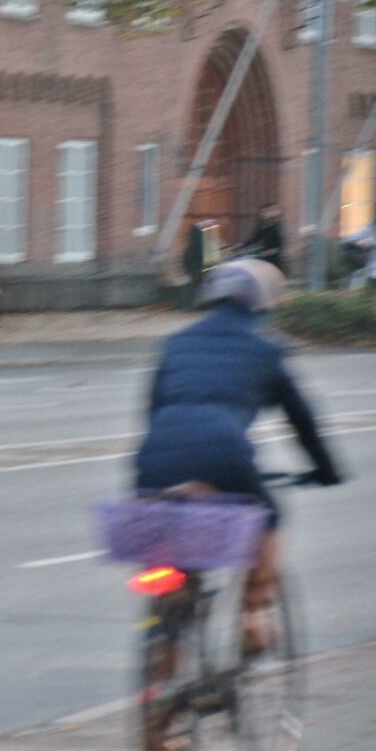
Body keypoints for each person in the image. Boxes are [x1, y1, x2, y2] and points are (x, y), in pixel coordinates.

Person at [136, 259, 343, 649]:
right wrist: (325, 469)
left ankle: (163, 667)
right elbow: (301, 421)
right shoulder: (266, 349)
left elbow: (153, 410)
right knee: (268, 516)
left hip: (155, 460)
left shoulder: (175, 344)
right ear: (260, 305)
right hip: (225, 456)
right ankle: (253, 614)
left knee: (171, 535)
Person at [244, 202, 286, 272]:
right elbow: (255, 238)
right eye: (262, 213)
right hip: (264, 256)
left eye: (265, 212)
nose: (263, 215)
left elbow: (280, 245)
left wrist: (269, 252)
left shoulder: (277, 227)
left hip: (273, 259)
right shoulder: (263, 226)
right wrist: (242, 244)